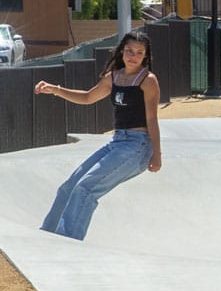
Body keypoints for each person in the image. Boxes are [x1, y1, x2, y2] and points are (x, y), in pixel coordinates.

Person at [34, 30, 162, 239]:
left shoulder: (147, 80)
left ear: (145, 56)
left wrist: (156, 154)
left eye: (139, 53)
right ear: (121, 51)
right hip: (117, 142)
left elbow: (152, 120)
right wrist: (55, 89)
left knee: (85, 189)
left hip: (136, 147)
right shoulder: (114, 77)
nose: (133, 56)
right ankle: (47, 237)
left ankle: (68, 241)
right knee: (69, 187)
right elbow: (87, 97)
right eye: (129, 51)